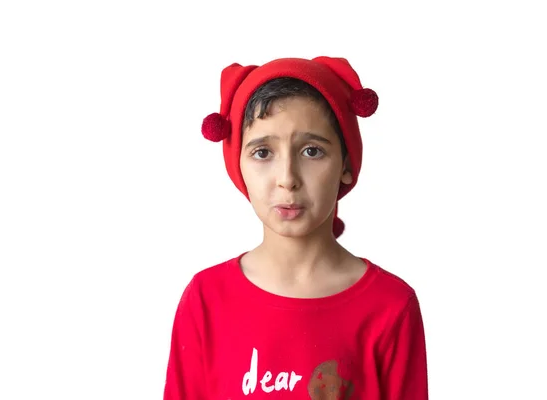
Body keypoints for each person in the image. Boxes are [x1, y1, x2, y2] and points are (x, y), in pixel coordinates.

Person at [163, 56, 428, 399]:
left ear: (346, 165)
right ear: (238, 166)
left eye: (312, 151)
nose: (287, 179)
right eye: (262, 152)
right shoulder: (205, 299)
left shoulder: (391, 306)